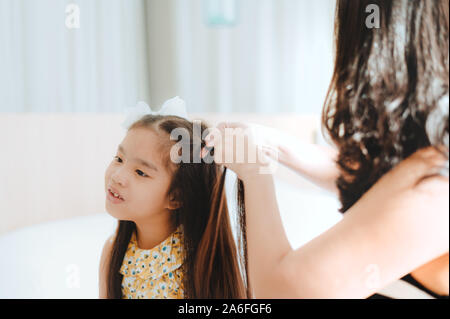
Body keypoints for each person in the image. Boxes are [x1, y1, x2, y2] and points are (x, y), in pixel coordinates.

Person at [202, 0, 449, 298]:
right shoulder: (428, 163)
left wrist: (257, 175)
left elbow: (279, 292)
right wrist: (273, 143)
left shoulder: (435, 181)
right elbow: (379, 178)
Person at [98, 99, 250, 299]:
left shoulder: (198, 266)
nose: (117, 176)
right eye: (119, 159)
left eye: (140, 172)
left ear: (176, 196)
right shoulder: (115, 251)